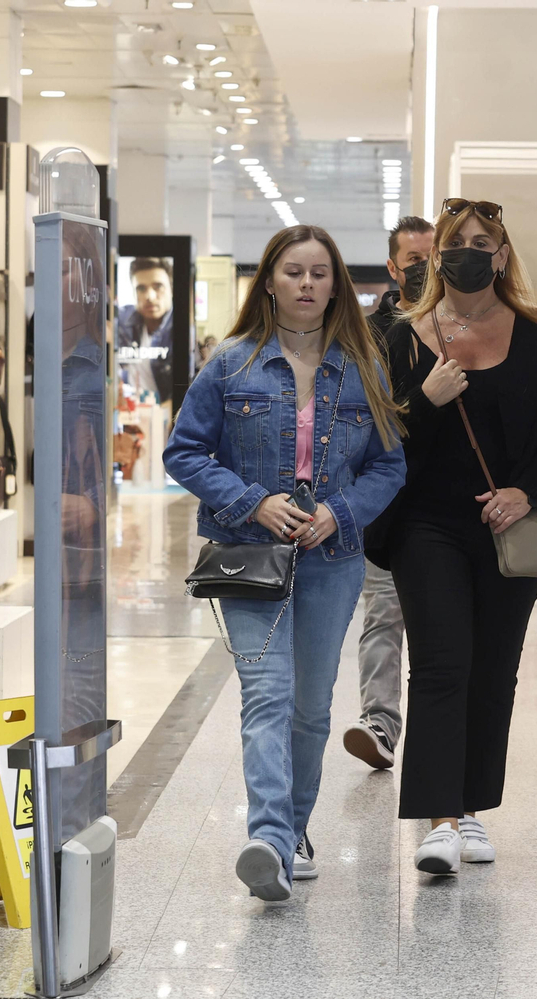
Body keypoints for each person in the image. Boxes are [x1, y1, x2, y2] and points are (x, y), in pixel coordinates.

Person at [163, 225, 405, 902]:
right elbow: (183, 450)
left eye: (319, 273)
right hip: (250, 555)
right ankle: (269, 837)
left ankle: (294, 830)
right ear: (269, 280)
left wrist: (339, 511)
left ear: (336, 286)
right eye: (293, 271)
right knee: (266, 692)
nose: (306, 283)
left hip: (332, 557)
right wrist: (253, 501)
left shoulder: (362, 367)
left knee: (311, 705)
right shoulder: (231, 363)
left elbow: (389, 466)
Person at [382, 199, 537, 875]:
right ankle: (439, 818)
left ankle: (471, 806)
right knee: (442, 663)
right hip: (426, 525)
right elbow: (380, 437)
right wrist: (427, 401)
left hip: (511, 527)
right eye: (455, 242)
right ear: (438, 255)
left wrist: (526, 491)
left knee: (495, 668)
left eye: (482, 242)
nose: (467, 252)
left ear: (502, 256)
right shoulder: (405, 338)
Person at [344, 214, 435, 769]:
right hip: (385, 504)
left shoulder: (461, 324)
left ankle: (438, 729)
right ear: (393, 268)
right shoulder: (368, 335)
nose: (425, 269)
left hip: (445, 502)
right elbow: (367, 417)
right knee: (383, 612)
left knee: (440, 623)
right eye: (414, 261)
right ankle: (379, 722)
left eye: (433, 258)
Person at [116, 257, 175, 403]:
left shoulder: (179, 330)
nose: (150, 297)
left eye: (158, 287)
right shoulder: (124, 319)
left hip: (163, 412)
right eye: (141, 288)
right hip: (127, 409)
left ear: (172, 289)